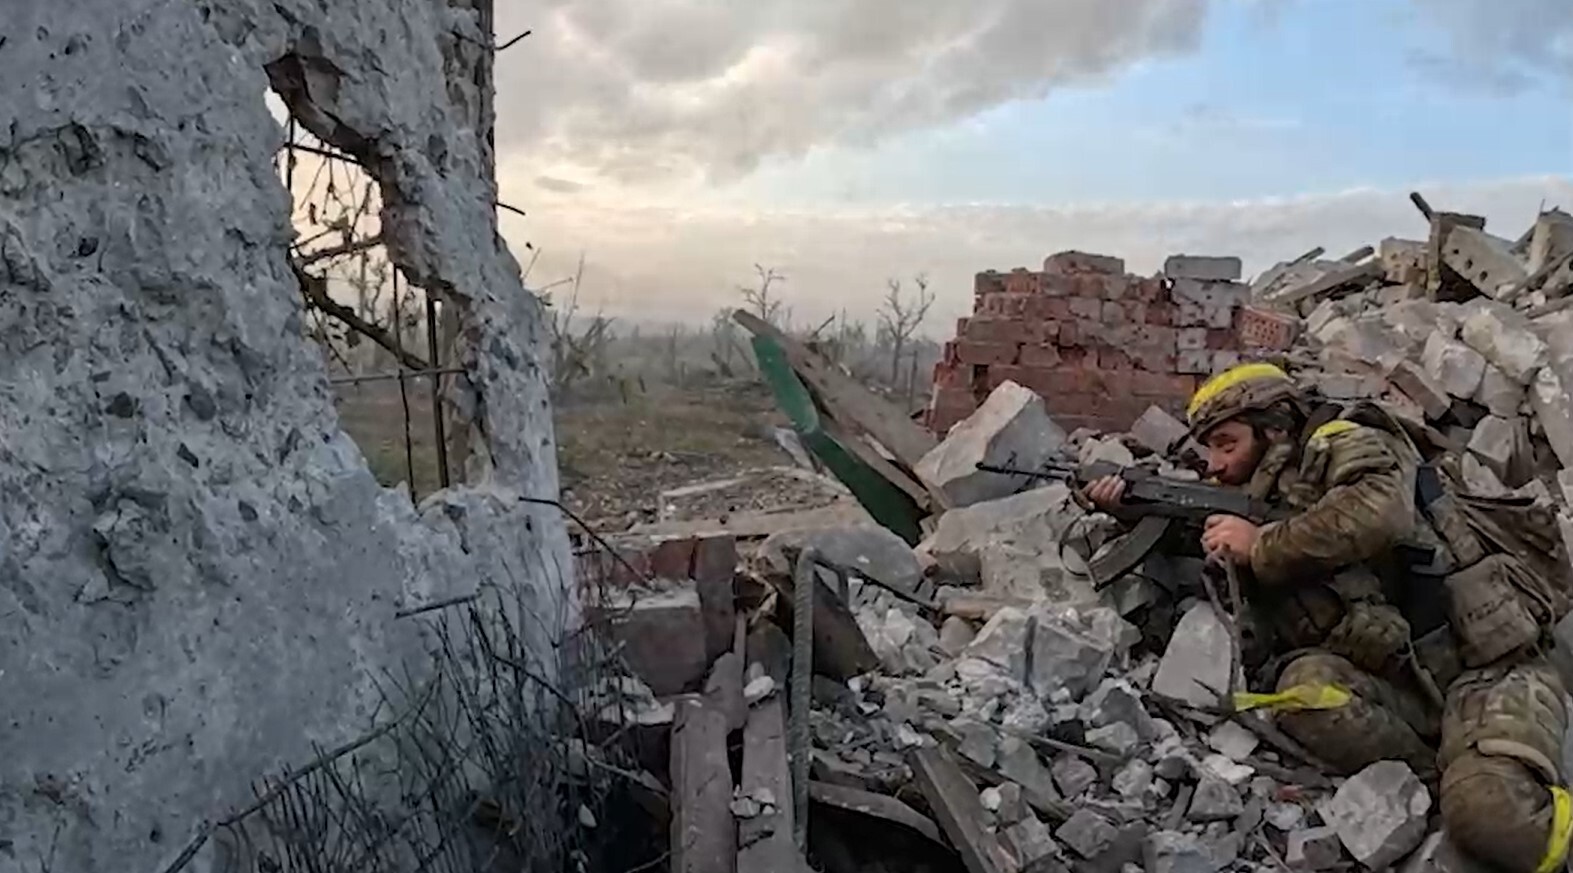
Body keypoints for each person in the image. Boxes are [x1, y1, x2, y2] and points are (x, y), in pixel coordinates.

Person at [1083, 362, 1573, 873]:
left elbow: (1381, 511)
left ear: (1273, 428)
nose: (1214, 464)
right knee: (1303, 693)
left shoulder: (1344, 439)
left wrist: (1263, 546)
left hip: (1486, 672)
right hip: (1404, 686)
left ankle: (1481, 781)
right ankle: (1438, 782)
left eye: (1226, 444)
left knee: (1490, 816)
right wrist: (1126, 505)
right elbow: (1211, 540)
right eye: (1209, 448)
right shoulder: (1262, 492)